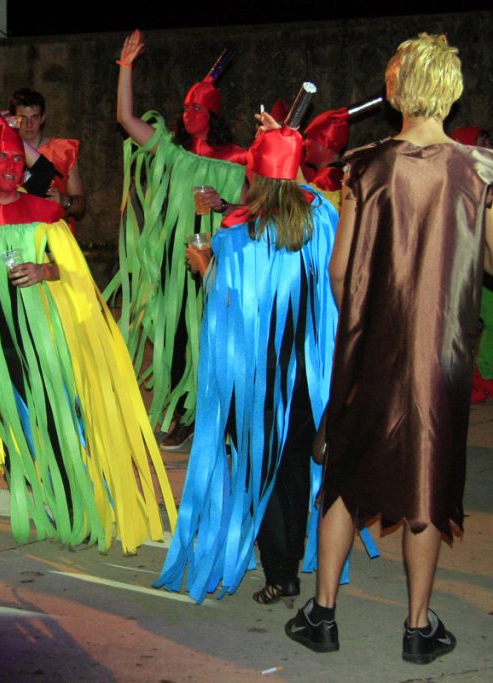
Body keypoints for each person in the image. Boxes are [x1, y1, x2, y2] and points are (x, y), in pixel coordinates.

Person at [286, 33, 493, 664]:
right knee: (427, 477)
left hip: (371, 340)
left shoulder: (362, 165)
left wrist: (362, 312)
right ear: (453, 89)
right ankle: (418, 627)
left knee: (343, 470)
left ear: (395, 89)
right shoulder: (483, 170)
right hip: (440, 352)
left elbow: (339, 271)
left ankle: (323, 615)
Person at [0, 122, 175, 553]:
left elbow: (73, 271)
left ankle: (71, 501)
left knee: (54, 417)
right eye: (2, 157)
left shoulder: (45, 213)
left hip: (31, 336)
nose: (12, 165)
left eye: (19, 159)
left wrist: (45, 270)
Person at [155, 119, 338, 604]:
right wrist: (284, 140)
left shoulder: (239, 236)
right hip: (307, 371)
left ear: (253, 176)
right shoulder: (321, 218)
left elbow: (230, 305)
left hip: (257, 375)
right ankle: (291, 558)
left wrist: (206, 268)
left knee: (264, 470)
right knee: (295, 467)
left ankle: (281, 572)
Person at [112, 29, 247, 451]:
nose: (188, 113)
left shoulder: (238, 160)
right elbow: (125, 119)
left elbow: (250, 211)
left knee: (215, 336)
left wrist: (222, 204)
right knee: (175, 338)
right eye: (185, 106)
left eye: (196, 107)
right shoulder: (170, 150)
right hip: (176, 262)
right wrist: (126, 68)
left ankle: (219, 417)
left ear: (213, 112)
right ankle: (179, 413)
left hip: (217, 260)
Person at [451, 127, 493, 402]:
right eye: (482, 144)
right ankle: (478, 377)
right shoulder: (461, 188)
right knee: (477, 323)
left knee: (490, 320)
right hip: (467, 267)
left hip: (483, 265)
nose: (488, 146)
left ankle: (479, 376)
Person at [9, 88, 86, 231]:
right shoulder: (3, 153)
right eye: (23, 118)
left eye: (34, 117)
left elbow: (80, 207)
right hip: (14, 232)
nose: (29, 124)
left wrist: (64, 201)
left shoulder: (63, 151)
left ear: (43, 118)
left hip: (53, 234)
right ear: (13, 120)